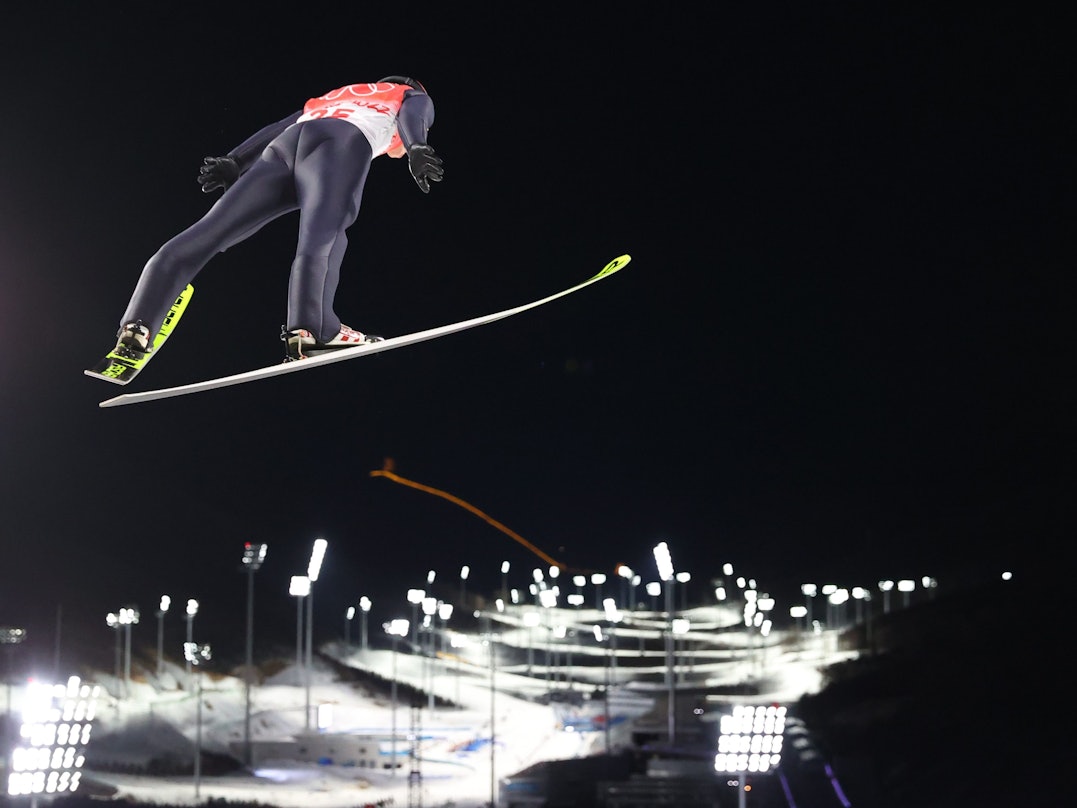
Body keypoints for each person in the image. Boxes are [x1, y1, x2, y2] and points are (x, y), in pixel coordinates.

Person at [104, 76, 443, 364]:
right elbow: (415, 113)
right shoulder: (409, 95)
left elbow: (280, 126)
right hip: (338, 144)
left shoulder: (338, 95)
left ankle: (137, 325)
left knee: (208, 231)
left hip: (284, 147)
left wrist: (235, 160)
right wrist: (416, 145)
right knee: (323, 235)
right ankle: (313, 329)